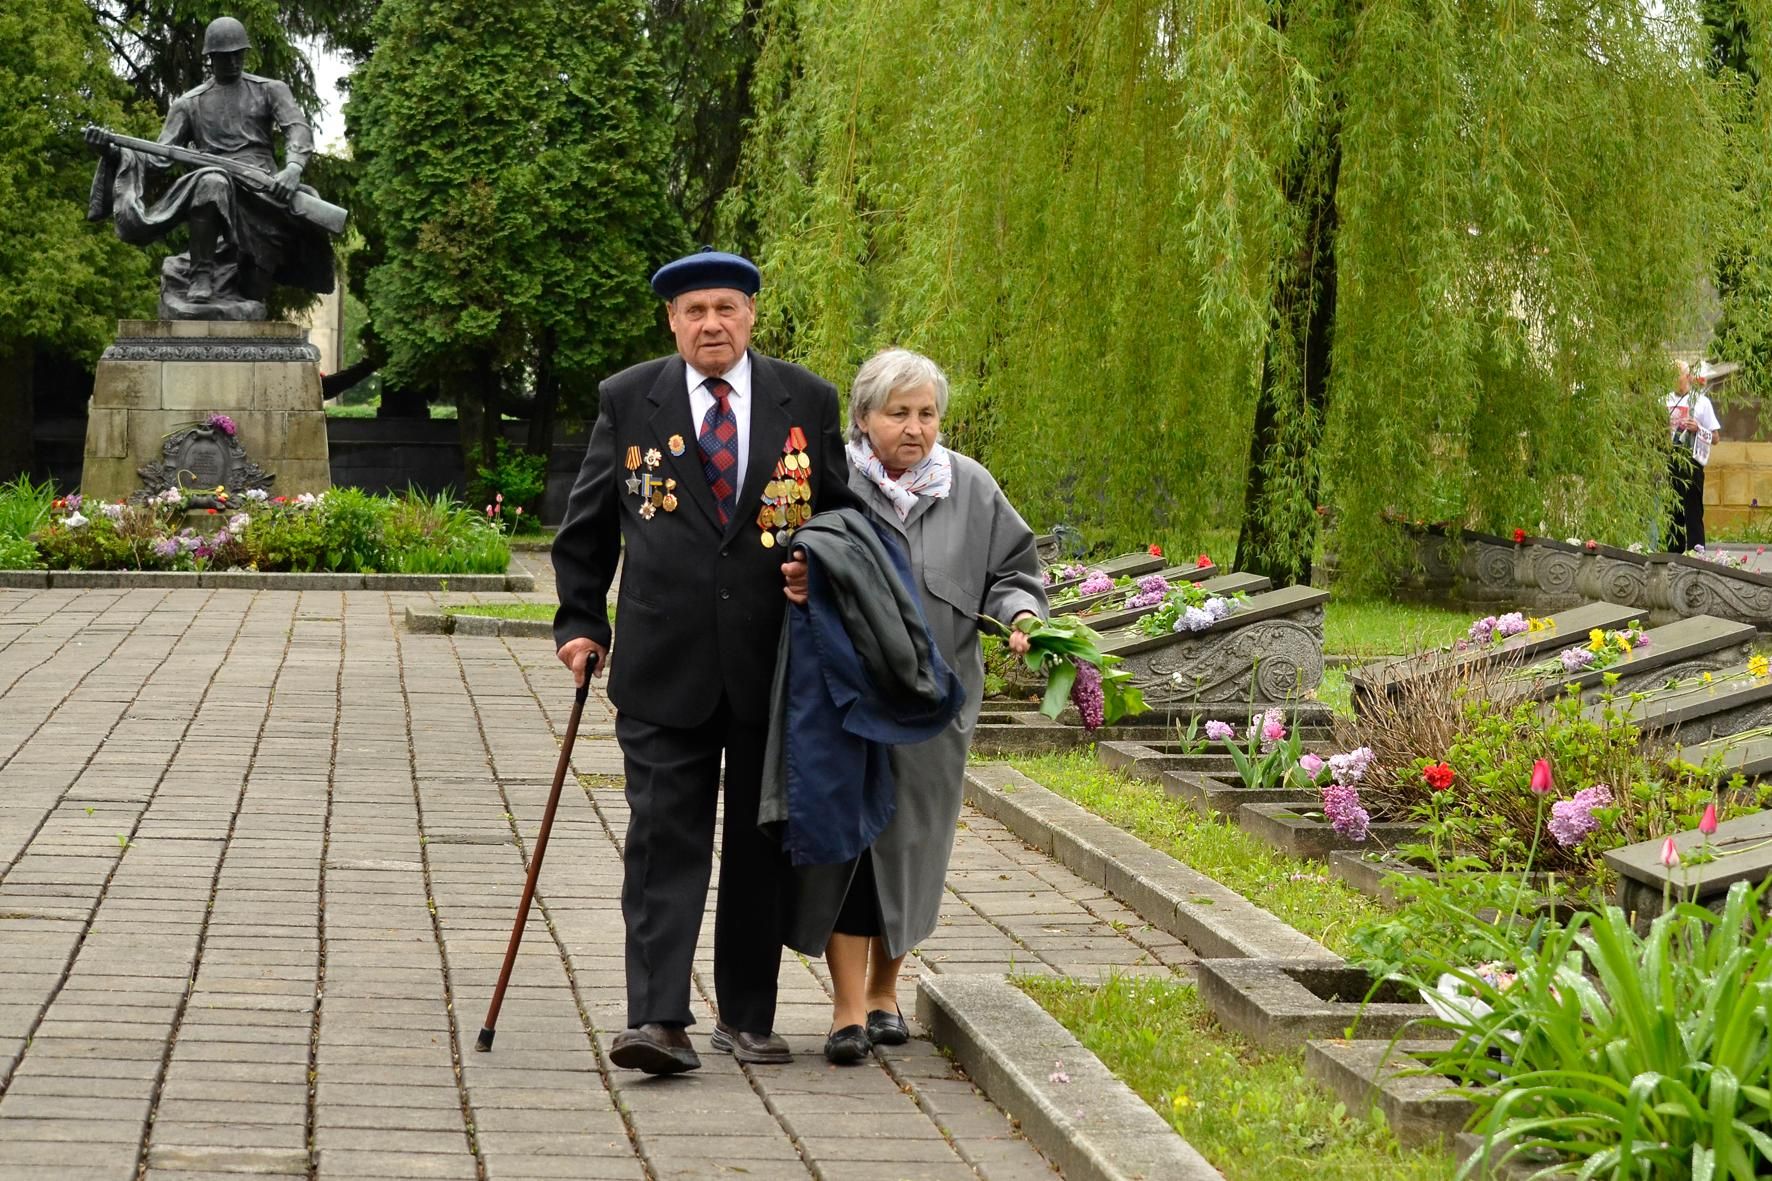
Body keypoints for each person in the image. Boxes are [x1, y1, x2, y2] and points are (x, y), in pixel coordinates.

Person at [552, 248, 858, 1075]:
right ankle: (657, 1020)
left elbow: (846, 522)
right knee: (662, 839)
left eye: (725, 307)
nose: (711, 324)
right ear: (672, 322)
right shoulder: (629, 399)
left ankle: (748, 1016)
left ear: (752, 313)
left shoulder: (809, 400)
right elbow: (587, 528)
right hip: (662, 660)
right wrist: (580, 621)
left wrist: (817, 567)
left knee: (761, 844)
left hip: (774, 665)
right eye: (694, 312)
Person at [785, 348, 1047, 1064]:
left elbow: (1014, 572)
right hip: (846, 694)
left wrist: (1021, 615)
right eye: (898, 413)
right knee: (846, 842)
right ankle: (844, 1009)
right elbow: (785, 549)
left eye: (927, 412)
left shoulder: (971, 487)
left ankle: (885, 994)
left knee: (914, 846)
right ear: (863, 419)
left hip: (935, 702)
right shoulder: (832, 481)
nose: (915, 427)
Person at [84, 16, 335, 316]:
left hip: (263, 193)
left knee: (253, 290)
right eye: (224, 56)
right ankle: (201, 273)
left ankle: (239, 271)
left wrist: (293, 168)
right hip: (217, 183)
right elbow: (156, 158)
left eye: (237, 54)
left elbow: (297, 129)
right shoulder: (189, 104)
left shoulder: (270, 90)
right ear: (210, 58)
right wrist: (112, 151)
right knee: (211, 181)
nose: (232, 62)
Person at [1667, 360, 1722, 552]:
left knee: (1693, 510)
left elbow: (1715, 437)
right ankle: (1673, 555)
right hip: (1669, 461)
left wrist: (1698, 428)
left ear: (1688, 376)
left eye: (1677, 374)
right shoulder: (1663, 400)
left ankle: (1697, 555)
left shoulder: (1702, 402)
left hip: (1692, 462)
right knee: (1672, 512)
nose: (1674, 379)